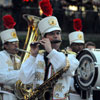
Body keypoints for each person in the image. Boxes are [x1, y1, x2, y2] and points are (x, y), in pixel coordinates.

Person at [19, 16, 79, 100]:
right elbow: (25, 79)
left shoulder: (70, 57)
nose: (56, 36)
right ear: (44, 38)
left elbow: (66, 68)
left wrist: (51, 51)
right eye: (51, 33)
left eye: (58, 33)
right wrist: (32, 56)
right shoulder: (37, 57)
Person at [0, 28, 21, 100]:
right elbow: (2, 78)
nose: (16, 45)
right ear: (6, 46)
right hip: (5, 95)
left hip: (18, 95)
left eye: (17, 42)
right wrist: (22, 73)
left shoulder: (19, 58)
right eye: (13, 43)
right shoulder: (1, 56)